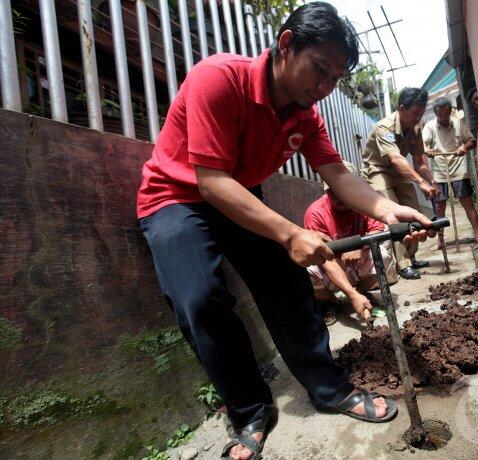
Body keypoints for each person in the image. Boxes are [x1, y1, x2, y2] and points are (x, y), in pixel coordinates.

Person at [135, 4, 435, 459]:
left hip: (236, 193)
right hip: (176, 196)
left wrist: (391, 210)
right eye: (319, 70)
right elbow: (211, 182)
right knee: (201, 300)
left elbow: (338, 173)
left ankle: (329, 388)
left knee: (287, 282)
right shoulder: (218, 77)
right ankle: (250, 409)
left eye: (335, 79)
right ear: (286, 43)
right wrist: (290, 233)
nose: (324, 87)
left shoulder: (304, 115)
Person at [305, 161, 397, 326]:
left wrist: (358, 245)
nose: (338, 197)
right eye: (332, 191)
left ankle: (361, 291)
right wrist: (350, 294)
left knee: (382, 254)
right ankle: (332, 301)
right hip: (331, 267)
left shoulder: (365, 204)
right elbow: (324, 260)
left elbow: (377, 231)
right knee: (306, 270)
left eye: (343, 191)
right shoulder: (315, 212)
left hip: (357, 264)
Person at [361, 87, 438, 280]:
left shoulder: (417, 127)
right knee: (394, 214)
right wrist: (420, 182)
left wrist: (431, 181)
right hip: (378, 171)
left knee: (413, 210)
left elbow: (419, 160)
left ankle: (411, 257)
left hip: (398, 172)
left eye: (420, 114)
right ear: (402, 108)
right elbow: (396, 159)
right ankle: (402, 264)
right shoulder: (384, 127)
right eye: (414, 113)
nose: (417, 118)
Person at [423, 96, 478, 248]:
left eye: (446, 114)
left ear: (450, 111)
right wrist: (428, 150)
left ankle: (477, 234)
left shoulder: (458, 123)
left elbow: (472, 141)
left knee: (467, 202)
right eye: (440, 115)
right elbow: (422, 146)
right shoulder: (430, 126)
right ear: (435, 113)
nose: (443, 118)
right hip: (439, 170)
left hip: (458, 168)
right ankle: (441, 240)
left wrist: (463, 148)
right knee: (439, 207)